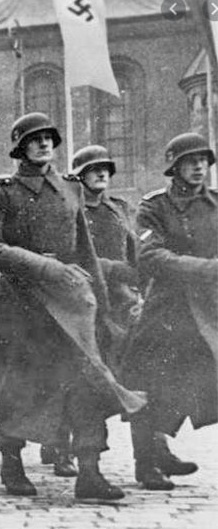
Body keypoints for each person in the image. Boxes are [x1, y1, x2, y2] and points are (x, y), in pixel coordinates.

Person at [0, 112, 146, 501]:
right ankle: (11, 462)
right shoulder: (1, 190)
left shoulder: (69, 188)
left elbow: (85, 250)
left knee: (86, 381)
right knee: (21, 386)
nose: (44, 144)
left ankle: (90, 471)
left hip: (70, 304)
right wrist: (46, 267)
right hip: (21, 304)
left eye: (49, 137)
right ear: (20, 146)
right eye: (35, 138)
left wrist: (99, 305)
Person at [121, 132, 218, 490]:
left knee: (195, 381)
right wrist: (205, 269)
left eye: (204, 161)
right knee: (150, 385)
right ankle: (146, 463)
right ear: (174, 167)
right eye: (191, 161)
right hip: (166, 311)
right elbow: (150, 257)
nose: (199, 167)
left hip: (208, 312)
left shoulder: (215, 205)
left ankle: (159, 445)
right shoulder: (154, 206)